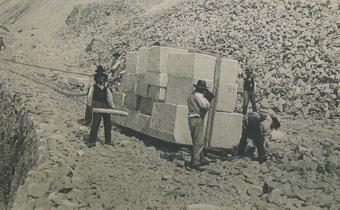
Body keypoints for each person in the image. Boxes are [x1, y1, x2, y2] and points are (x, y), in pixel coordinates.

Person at [187, 80, 213, 169]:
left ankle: (199, 158)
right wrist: (207, 100)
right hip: (197, 118)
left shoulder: (191, 96)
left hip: (191, 118)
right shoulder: (198, 96)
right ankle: (195, 162)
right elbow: (204, 106)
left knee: (196, 140)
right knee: (198, 142)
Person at [87, 65, 115, 147]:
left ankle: (108, 141)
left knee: (107, 124)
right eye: (100, 77)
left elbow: (109, 98)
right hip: (98, 106)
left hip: (106, 107)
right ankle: (92, 141)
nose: (101, 79)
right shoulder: (93, 87)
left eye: (103, 77)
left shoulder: (106, 88)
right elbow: (90, 97)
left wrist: (112, 106)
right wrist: (90, 105)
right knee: (95, 124)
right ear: (97, 78)